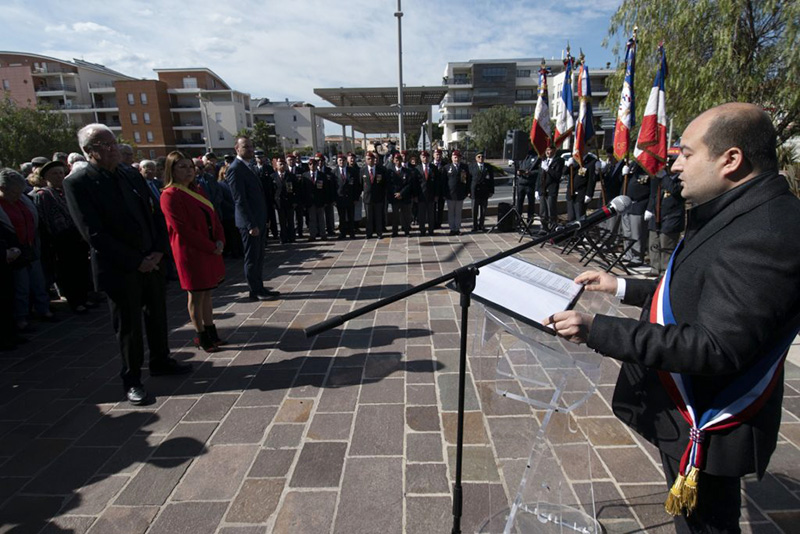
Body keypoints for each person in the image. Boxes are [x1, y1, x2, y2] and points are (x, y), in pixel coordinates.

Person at [544, 103, 800, 533]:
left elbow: (716, 345)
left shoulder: (767, 229)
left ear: (731, 160)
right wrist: (621, 286)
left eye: (685, 153)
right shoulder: (737, 206)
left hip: (713, 414)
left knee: (708, 526)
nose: (674, 164)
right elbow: (699, 285)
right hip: (688, 401)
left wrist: (597, 329)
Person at [64, 124, 191, 405]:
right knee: (129, 326)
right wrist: (136, 261)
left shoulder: (129, 174)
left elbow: (154, 213)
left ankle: (161, 360)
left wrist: (158, 250)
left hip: (151, 261)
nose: (113, 149)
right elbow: (93, 232)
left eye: (113, 142)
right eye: (104, 145)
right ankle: (132, 378)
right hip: (120, 268)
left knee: (157, 315)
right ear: (89, 151)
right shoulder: (78, 182)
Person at [160, 151, 226, 352]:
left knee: (207, 293)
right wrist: (210, 246)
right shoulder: (169, 195)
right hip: (190, 252)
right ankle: (201, 336)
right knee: (196, 295)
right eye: (182, 167)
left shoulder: (197, 190)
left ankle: (211, 329)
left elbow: (213, 217)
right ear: (172, 170)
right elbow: (183, 229)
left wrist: (220, 240)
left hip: (208, 249)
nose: (188, 171)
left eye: (190, 167)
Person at [31, 160, 93, 313]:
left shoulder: (67, 191)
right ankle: (75, 301)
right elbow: (46, 220)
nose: (59, 176)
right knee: (68, 272)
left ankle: (84, 297)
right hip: (61, 241)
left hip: (78, 237)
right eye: (54, 174)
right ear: (46, 177)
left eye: (60, 173)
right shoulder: (44, 195)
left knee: (81, 268)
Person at [226, 136, 279, 301]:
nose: (249, 149)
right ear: (237, 148)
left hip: (259, 220)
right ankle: (254, 290)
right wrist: (250, 224)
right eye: (245, 147)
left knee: (259, 257)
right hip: (249, 223)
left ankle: (260, 287)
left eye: (250, 147)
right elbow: (240, 200)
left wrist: (265, 219)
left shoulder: (249, 166)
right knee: (251, 258)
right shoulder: (235, 169)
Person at [0, 169, 53, 331]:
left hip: (30, 245)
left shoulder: (23, 200)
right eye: (14, 192)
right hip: (14, 251)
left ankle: (43, 309)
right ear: (3, 189)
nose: (17, 195)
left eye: (19, 191)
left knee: (38, 280)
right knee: (21, 286)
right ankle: (21, 318)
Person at [646, 147, 685, 276]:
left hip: (672, 218)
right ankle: (655, 268)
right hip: (657, 216)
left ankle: (664, 271)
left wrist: (664, 178)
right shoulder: (662, 177)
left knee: (666, 245)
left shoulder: (682, 178)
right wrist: (650, 209)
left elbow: (675, 190)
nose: (668, 165)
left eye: (671, 162)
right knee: (654, 243)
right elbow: (653, 195)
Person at [444, 150, 470, 235]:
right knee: (451, 212)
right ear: (451, 158)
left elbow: (467, 181)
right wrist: (444, 193)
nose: (456, 159)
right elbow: (443, 181)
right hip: (450, 194)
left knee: (458, 212)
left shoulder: (464, 167)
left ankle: (457, 228)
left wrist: (467, 192)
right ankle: (452, 229)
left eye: (458, 157)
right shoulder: (447, 167)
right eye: (455, 157)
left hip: (460, 194)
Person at [360, 152, 386, 239]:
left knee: (378, 216)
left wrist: (383, 195)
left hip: (378, 197)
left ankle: (379, 233)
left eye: (371, 159)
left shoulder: (380, 170)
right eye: (368, 159)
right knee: (369, 217)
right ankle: (369, 233)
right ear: (366, 160)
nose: (370, 161)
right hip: (367, 198)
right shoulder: (362, 171)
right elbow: (361, 184)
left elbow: (384, 184)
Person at [333, 153, 360, 239]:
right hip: (339, 198)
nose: (342, 162)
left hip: (350, 198)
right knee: (342, 217)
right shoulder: (334, 172)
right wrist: (333, 199)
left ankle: (352, 233)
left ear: (346, 161)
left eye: (343, 160)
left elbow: (357, 186)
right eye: (340, 160)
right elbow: (332, 187)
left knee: (351, 216)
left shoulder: (352, 171)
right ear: (337, 162)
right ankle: (343, 233)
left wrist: (356, 198)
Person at [272, 157, 298, 243]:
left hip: (289, 201)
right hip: (279, 202)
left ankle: (292, 237)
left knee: (290, 220)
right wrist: (273, 202)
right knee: (282, 221)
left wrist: (295, 201)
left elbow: (296, 190)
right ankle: (283, 237)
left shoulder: (291, 176)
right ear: (276, 165)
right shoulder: (273, 176)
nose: (282, 166)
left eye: (284, 164)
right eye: (280, 164)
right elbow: (271, 191)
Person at [387, 152, 414, 237]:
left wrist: (401, 193)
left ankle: (406, 231)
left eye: (399, 159)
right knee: (395, 216)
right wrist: (395, 193)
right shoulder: (390, 171)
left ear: (401, 160)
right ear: (394, 161)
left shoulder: (407, 171)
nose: (398, 161)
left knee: (406, 215)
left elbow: (409, 184)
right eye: (396, 160)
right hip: (394, 197)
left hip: (404, 197)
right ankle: (394, 232)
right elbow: (389, 184)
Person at [469, 151, 495, 232]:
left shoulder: (488, 167)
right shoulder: (471, 167)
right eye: (479, 157)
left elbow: (491, 180)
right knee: (474, 210)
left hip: (484, 191)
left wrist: (491, 191)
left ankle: (481, 225)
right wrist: (468, 191)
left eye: (482, 157)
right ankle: (474, 226)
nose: (481, 158)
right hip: (475, 191)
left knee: (483, 210)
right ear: (476, 158)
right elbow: (469, 180)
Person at [416, 150, 439, 236]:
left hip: (431, 195)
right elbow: (415, 183)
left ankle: (431, 230)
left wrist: (437, 194)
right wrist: (415, 195)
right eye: (423, 157)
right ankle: (422, 230)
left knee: (431, 214)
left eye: (426, 157)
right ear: (421, 158)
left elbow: (437, 183)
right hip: (421, 195)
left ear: (429, 158)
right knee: (421, 214)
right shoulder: (417, 169)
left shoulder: (434, 168)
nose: (425, 159)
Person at [516, 149, 541, 228]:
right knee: (519, 203)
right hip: (521, 183)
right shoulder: (521, 157)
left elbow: (539, 171)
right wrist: (518, 172)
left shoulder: (536, 156)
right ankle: (518, 219)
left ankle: (530, 220)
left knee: (531, 203)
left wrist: (530, 173)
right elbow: (516, 167)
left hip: (530, 184)